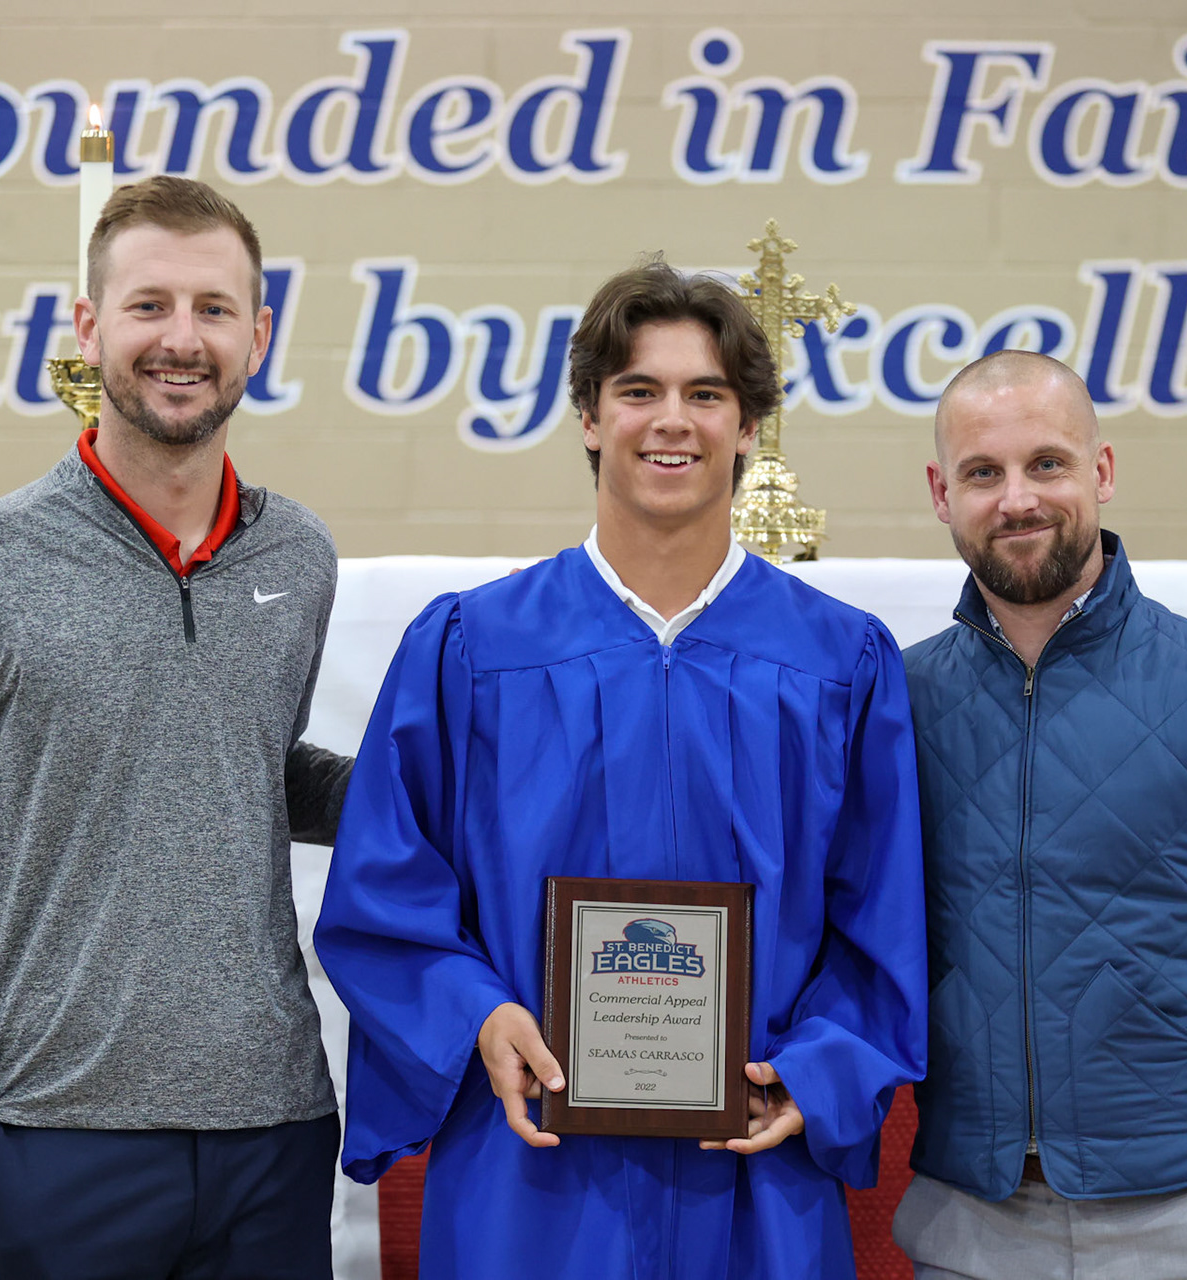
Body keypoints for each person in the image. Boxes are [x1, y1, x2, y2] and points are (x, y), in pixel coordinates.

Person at [313, 259, 927, 1279]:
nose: (670, 421)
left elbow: (886, 916)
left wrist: (816, 1072)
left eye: (706, 395)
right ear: (591, 418)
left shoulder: (837, 662)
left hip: (753, 1169)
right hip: (536, 1171)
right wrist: (477, 1010)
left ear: (749, 427)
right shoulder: (474, 647)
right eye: (638, 391)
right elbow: (385, 885)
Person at [0, 175, 352, 1280]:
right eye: (148, 306)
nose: (181, 339)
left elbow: (244, 767)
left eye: (214, 309)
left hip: (270, 1130)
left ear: (259, 335)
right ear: (88, 327)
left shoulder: (299, 556)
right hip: (48, 1139)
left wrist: (441, 790)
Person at [892, 350, 1187, 1278]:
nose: (1018, 499)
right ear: (940, 493)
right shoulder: (898, 701)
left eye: (1048, 464)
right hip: (965, 1222)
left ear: (1101, 472)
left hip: (1186, 1222)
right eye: (983, 472)